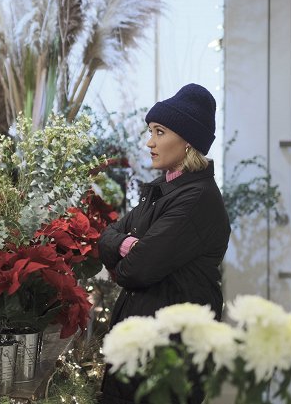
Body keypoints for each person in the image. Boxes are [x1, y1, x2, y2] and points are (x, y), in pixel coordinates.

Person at [98, 83, 231, 404]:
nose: (149, 142)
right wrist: (131, 243)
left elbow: (135, 272)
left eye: (159, 132)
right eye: (150, 131)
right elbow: (106, 237)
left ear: (188, 142)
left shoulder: (197, 199)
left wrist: (127, 249)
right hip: (140, 355)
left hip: (167, 361)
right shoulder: (162, 189)